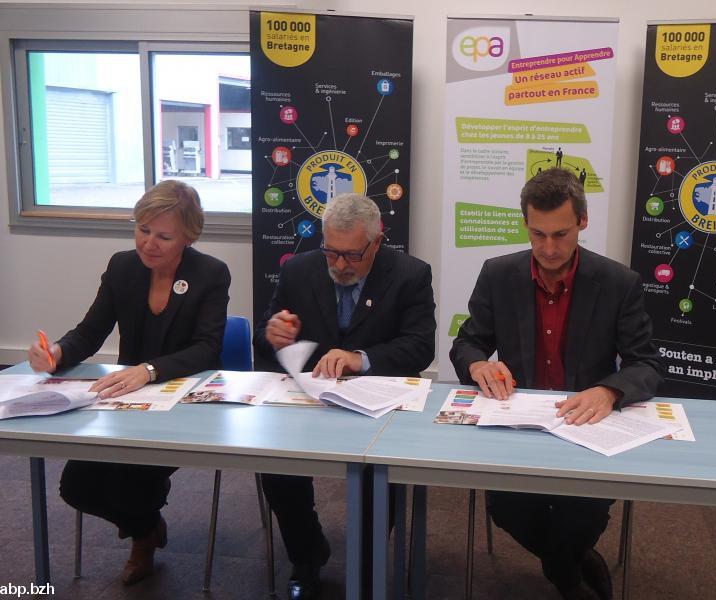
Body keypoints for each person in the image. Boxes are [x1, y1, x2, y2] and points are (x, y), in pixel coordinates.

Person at [450, 168, 662, 600]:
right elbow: (468, 342)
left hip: (585, 428)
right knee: (507, 509)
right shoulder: (499, 274)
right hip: (516, 426)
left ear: (582, 222)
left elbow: (646, 364)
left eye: (561, 234)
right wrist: (477, 367)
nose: (548, 248)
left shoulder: (619, 284)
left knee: (580, 518)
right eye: (537, 234)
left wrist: (610, 390)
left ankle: (567, 568)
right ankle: (571, 571)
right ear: (525, 224)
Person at [27, 179, 231, 585]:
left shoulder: (210, 274)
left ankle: (142, 540)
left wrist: (150, 370)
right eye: (142, 229)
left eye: (163, 236)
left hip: (185, 402)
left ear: (189, 236)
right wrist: (58, 355)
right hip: (124, 401)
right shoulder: (122, 266)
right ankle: (147, 528)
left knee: (130, 483)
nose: (148, 244)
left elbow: (207, 349)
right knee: (76, 487)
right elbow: (89, 331)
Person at [254, 192, 435, 600]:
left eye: (352, 256)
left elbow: (421, 347)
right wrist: (272, 334)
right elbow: (265, 335)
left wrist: (360, 358)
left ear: (377, 240)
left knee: (377, 474)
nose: (339, 265)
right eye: (330, 252)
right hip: (310, 401)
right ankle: (307, 554)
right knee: (276, 465)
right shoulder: (299, 270)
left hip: (379, 407)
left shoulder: (410, 274)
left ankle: (368, 561)